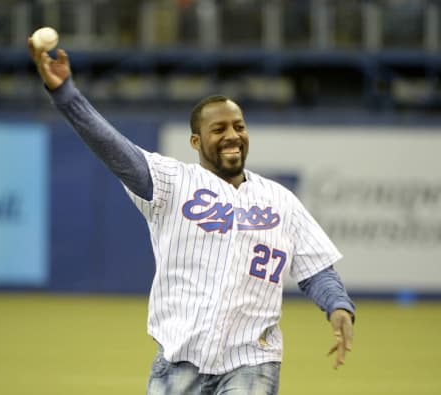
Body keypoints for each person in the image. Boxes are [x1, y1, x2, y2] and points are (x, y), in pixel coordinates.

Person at [28, 39, 355, 395]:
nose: (233, 135)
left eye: (239, 126)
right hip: (178, 361)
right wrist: (66, 95)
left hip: (253, 361)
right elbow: (112, 147)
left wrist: (337, 306)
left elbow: (316, 269)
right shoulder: (172, 183)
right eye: (219, 129)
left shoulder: (281, 201)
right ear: (196, 142)